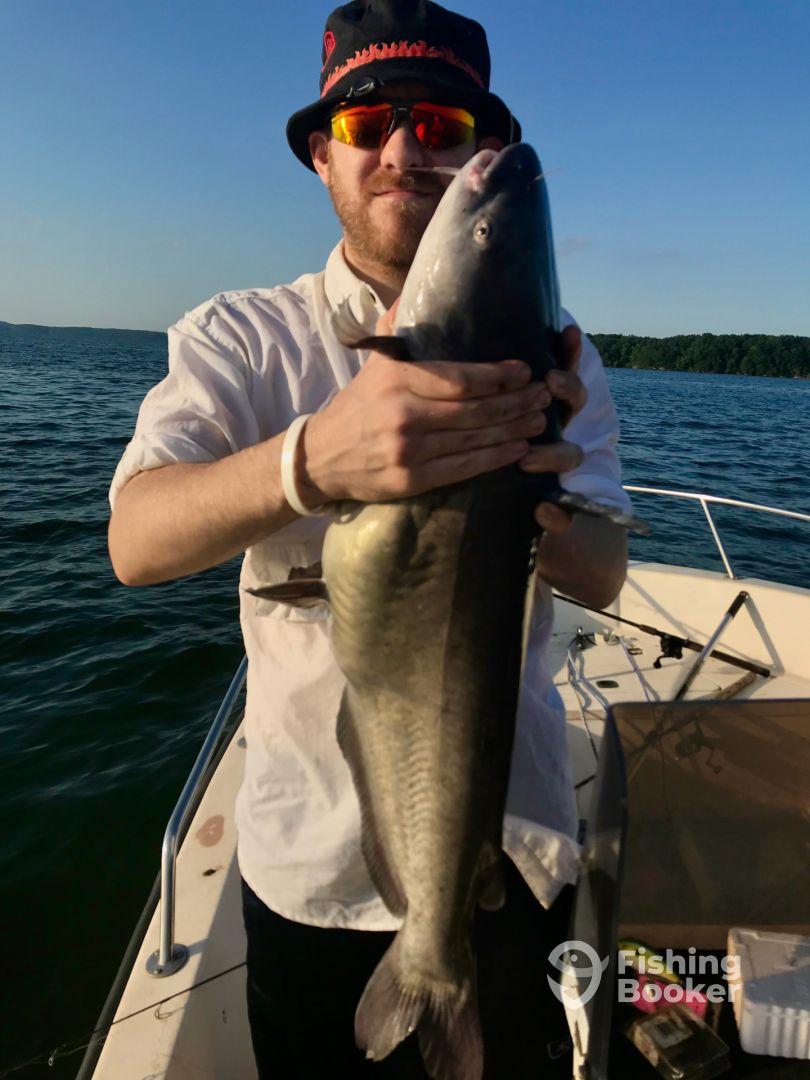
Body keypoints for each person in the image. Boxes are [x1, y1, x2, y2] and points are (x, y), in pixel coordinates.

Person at [108, 1, 631, 1075]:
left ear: (477, 151)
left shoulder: (562, 367)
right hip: (309, 875)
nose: (403, 151)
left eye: (439, 125)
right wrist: (310, 461)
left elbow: (607, 576)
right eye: (365, 124)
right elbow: (136, 543)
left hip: (514, 847)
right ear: (321, 153)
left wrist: (540, 503)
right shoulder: (241, 338)